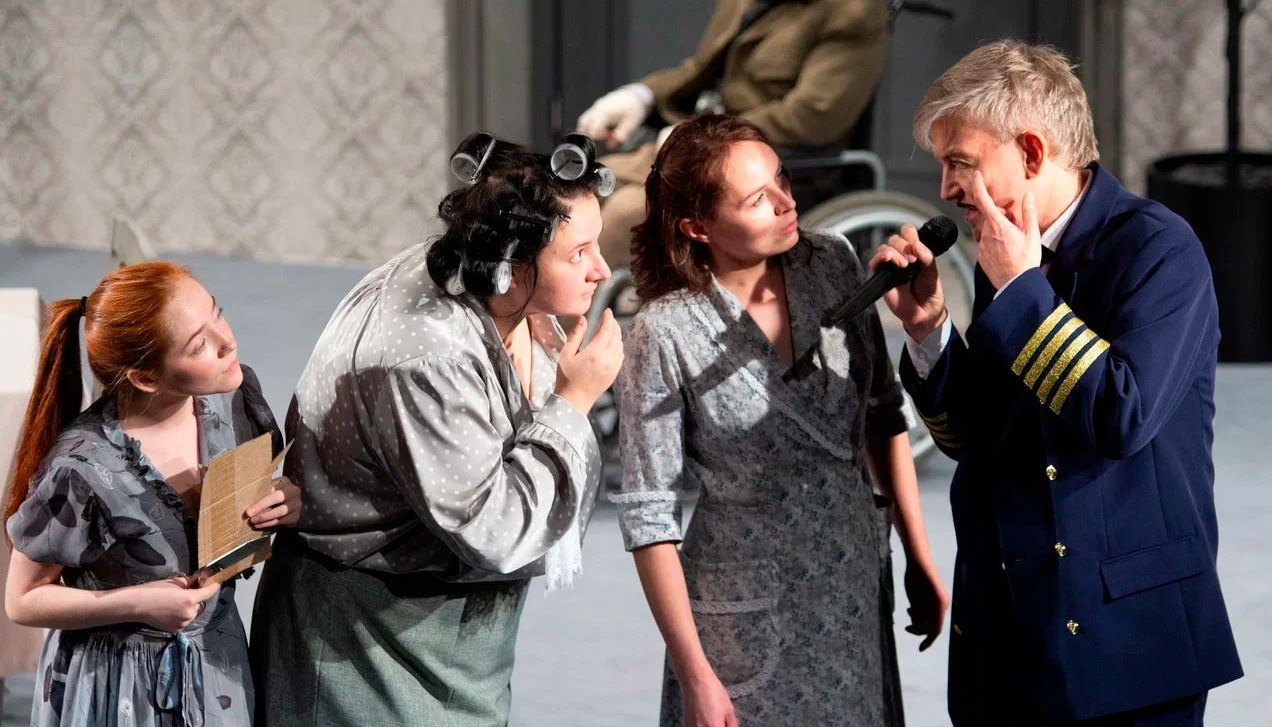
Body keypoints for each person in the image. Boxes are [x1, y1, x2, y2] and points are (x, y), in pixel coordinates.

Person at [872, 41, 1244, 726]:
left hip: (1127, 647)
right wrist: (929, 330)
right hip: (1011, 640)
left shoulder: (1160, 249)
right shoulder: (1007, 254)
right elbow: (979, 438)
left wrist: (1021, 287)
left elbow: (1122, 416)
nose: (947, 189)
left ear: (1032, 153)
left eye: (961, 163)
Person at [250, 133, 623, 726]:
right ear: (511, 263)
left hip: (448, 627)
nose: (601, 269)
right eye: (578, 253)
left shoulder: (487, 279)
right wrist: (573, 401)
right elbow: (494, 530)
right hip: (368, 637)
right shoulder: (427, 355)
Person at [613, 114, 947, 727]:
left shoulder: (834, 262)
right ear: (697, 226)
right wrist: (695, 674)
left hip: (851, 579)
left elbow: (882, 413)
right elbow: (649, 516)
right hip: (740, 608)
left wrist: (918, 558)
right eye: (756, 199)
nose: (786, 203)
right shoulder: (663, 331)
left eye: (783, 180)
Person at [4, 261, 300, 727]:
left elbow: (250, 501)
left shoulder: (231, 400)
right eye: (199, 345)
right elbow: (22, 600)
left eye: (217, 313)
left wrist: (283, 501)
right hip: (120, 685)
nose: (227, 342)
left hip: (217, 666)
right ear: (145, 377)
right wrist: (138, 603)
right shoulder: (82, 468)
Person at [576, 0, 890, 268]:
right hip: (702, 145)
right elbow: (701, 67)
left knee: (625, 213)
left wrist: (707, 136)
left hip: (777, 165)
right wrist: (642, 95)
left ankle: (578, 319)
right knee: (580, 188)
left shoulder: (853, 12)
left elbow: (813, 115)